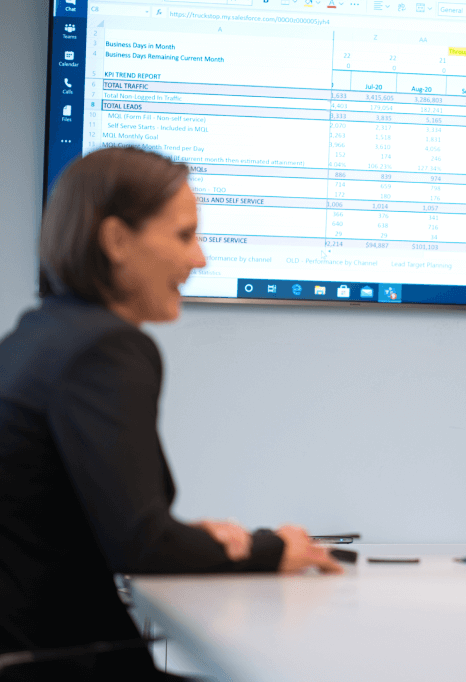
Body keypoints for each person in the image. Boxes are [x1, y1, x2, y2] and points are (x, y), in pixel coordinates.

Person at [0, 148, 340, 681]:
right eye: (184, 236)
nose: (199, 259)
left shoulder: (34, 337)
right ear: (116, 241)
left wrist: (195, 539)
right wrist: (268, 547)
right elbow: (142, 544)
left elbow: (87, 522)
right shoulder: (105, 348)